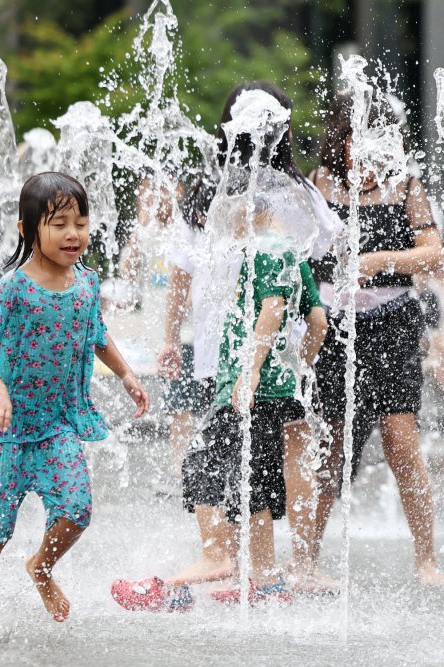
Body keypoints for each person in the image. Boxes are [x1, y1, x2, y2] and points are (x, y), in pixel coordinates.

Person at [111, 82, 330, 611]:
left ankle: (229, 563)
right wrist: (305, 355)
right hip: (264, 356)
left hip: (241, 356)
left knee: (225, 462)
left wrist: (251, 361)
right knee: (259, 462)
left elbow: (196, 270)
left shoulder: (230, 196)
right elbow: (319, 276)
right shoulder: (299, 199)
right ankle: (272, 569)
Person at [0, 172, 149, 642]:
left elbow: (97, 334)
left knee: (77, 510)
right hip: (9, 432)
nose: (74, 234)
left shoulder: (85, 283)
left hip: (58, 427)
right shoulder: (14, 288)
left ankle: (41, 565)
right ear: (27, 229)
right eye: (59, 223)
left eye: (81, 222)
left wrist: (125, 374)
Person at [308, 92, 444, 587]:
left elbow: (434, 254)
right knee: (330, 445)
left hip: (392, 321)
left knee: (401, 440)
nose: (364, 155)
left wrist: (380, 262)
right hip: (331, 327)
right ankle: (306, 559)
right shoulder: (318, 185)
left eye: (376, 143)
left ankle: (427, 558)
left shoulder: (405, 185)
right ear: (339, 142)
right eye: (354, 142)